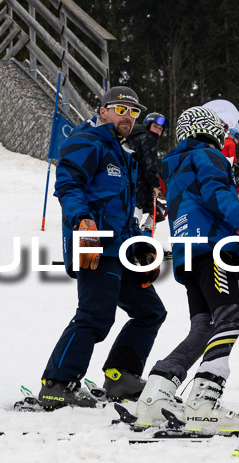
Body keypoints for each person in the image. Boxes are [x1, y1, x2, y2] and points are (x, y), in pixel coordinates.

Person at [134, 106, 239, 433]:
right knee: (229, 319)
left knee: (204, 326)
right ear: (210, 130)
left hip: (189, 253)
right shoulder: (209, 156)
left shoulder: (174, 164)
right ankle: (203, 402)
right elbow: (219, 197)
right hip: (213, 248)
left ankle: (156, 395)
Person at [39, 86, 168, 409]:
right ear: (102, 110)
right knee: (95, 315)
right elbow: (68, 186)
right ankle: (57, 382)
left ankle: (120, 375)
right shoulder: (87, 142)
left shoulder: (122, 156)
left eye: (134, 112)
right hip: (94, 244)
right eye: (120, 109)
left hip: (119, 249)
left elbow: (121, 210)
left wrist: (140, 246)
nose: (128, 117)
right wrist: (82, 221)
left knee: (150, 312)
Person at [128, 112, 169, 232]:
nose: (158, 131)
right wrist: (155, 185)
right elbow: (150, 163)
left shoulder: (132, 136)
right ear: (147, 125)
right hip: (141, 183)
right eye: (155, 126)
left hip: (130, 181)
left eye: (161, 129)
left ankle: (136, 232)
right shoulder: (147, 138)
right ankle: (141, 234)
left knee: (156, 209)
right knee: (146, 208)